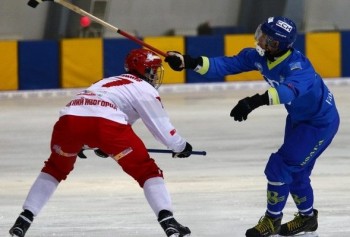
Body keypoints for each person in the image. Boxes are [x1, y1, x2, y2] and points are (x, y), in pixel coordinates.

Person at [164, 16, 340, 237]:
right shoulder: (259, 56)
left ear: (281, 45)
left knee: (280, 166)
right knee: (297, 172)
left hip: (319, 123)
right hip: (298, 118)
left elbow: (287, 92)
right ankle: (307, 219)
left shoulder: (299, 66)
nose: (262, 42)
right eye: (262, 35)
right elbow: (225, 64)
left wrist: (253, 101)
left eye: (269, 40)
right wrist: (188, 62)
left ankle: (272, 220)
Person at [9, 48, 193, 237]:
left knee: (55, 168)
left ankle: (23, 220)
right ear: (144, 70)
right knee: (147, 171)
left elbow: (95, 113)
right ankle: (168, 223)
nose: (155, 75)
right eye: (153, 70)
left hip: (69, 121)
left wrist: (92, 144)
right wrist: (180, 147)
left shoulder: (104, 82)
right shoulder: (144, 88)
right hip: (106, 126)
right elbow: (161, 127)